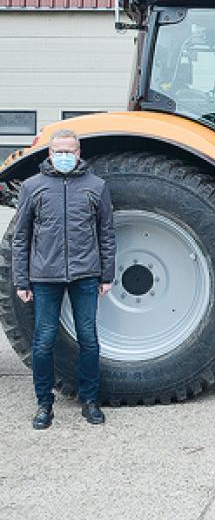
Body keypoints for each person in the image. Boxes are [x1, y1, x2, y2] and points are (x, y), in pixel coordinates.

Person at [11, 129, 116, 429]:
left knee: (89, 340)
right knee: (43, 342)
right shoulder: (33, 187)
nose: (65, 156)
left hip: (86, 275)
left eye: (70, 151)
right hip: (45, 277)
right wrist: (22, 281)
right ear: (50, 154)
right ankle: (44, 404)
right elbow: (22, 237)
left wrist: (106, 274)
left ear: (79, 153)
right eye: (59, 152)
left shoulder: (97, 187)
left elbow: (106, 234)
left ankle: (90, 401)